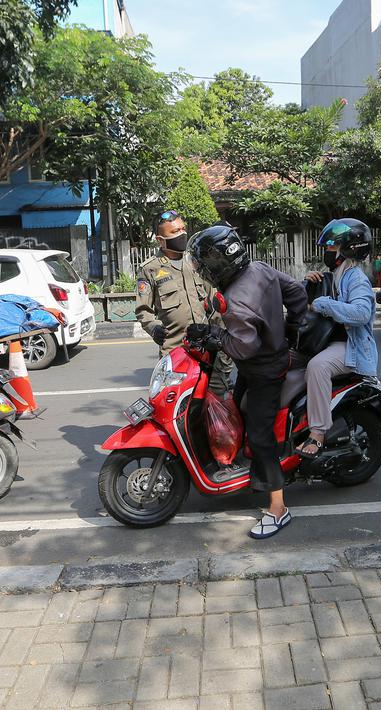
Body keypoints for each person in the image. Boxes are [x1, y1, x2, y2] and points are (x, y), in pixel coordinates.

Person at [186, 225, 308, 539]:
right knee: (236, 408)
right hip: (266, 360)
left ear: (217, 264)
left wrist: (214, 335)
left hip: (265, 369)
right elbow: (296, 291)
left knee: (259, 433)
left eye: (204, 264)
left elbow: (244, 346)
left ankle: (278, 509)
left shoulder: (235, 298)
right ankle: (248, 471)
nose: (201, 270)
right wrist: (292, 326)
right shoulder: (260, 269)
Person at [298, 219, 379, 458]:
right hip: (332, 343)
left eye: (331, 248)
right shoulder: (336, 275)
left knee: (317, 367)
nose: (327, 252)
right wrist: (310, 281)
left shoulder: (356, 278)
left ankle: (318, 433)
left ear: (347, 250)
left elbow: (362, 313)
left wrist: (323, 304)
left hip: (352, 348)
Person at [135, 210, 234, 393]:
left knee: (219, 401)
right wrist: (153, 327)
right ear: (160, 240)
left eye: (182, 229)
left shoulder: (196, 262)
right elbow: (143, 309)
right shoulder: (150, 269)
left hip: (206, 349)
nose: (181, 234)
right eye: (174, 232)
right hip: (175, 352)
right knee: (176, 407)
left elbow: (215, 302)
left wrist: (223, 342)